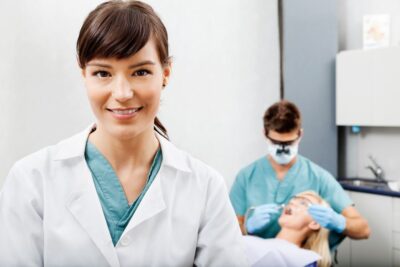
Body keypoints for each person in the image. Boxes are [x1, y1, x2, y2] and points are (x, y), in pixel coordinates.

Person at [0, 1, 248, 266]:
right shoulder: (32, 181)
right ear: (84, 74)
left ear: (165, 74)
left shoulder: (205, 188)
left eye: (140, 72)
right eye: (102, 73)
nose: (122, 93)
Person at [230, 100, 370, 248]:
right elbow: (226, 231)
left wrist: (339, 222)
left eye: (289, 143)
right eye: (276, 143)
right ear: (265, 134)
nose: (282, 149)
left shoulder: (319, 178)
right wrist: (246, 227)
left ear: (300, 135)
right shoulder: (247, 177)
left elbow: (363, 229)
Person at [244, 191, 332, 267]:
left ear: (315, 223)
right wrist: (248, 231)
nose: (292, 202)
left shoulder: (305, 260)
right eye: (293, 199)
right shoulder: (254, 241)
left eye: (303, 203)